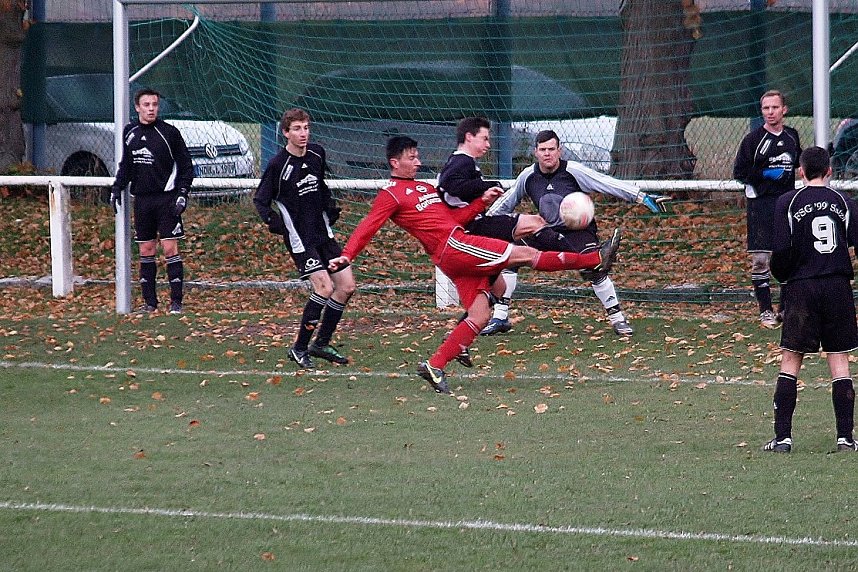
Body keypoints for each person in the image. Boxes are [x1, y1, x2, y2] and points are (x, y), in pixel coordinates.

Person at [328, 135, 621, 395]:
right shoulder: (390, 194)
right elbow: (368, 226)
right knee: (525, 255)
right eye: (411, 157)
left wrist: (481, 201)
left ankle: (435, 365)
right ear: (395, 162)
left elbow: (453, 220)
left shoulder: (423, 188)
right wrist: (347, 256)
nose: (418, 161)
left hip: (453, 249)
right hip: (453, 247)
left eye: (418, 156)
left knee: (481, 313)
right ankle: (594, 259)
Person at [483, 129, 670, 337]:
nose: (547, 154)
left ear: (559, 150)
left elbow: (606, 183)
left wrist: (641, 197)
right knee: (512, 253)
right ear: (535, 152)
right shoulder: (528, 176)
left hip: (579, 231)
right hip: (547, 230)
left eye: (552, 149)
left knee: (595, 267)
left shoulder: (574, 171)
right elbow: (507, 202)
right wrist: (483, 222)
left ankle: (618, 320)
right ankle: (500, 317)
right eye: (543, 149)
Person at [762, 146, 858, 453]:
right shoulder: (845, 202)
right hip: (837, 286)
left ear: (800, 171)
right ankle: (845, 438)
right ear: (830, 171)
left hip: (802, 288)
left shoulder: (786, 202)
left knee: (791, 360)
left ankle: (782, 439)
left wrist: (786, 278)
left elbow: (780, 254)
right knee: (840, 362)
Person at [253, 108, 355, 369]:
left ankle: (321, 343)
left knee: (346, 286)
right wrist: (273, 222)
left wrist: (329, 205)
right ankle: (299, 348)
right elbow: (261, 200)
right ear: (286, 133)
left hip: (323, 233)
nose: (303, 134)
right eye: (297, 129)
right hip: (300, 239)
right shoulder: (278, 164)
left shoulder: (317, 153)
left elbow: (320, 184)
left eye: (306, 128)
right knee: (324, 287)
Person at [110, 88, 194, 314]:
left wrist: (182, 194)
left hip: (167, 199)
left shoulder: (169, 133)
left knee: (169, 248)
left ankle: (176, 303)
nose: (150, 109)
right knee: (146, 250)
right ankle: (150, 304)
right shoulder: (130, 132)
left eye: (154, 105)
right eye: (146, 105)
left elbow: (186, 167)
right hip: (142, 200)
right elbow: (126, 165)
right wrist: (117, 187)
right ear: (137, 107)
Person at [733, 89, 801, 329]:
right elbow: (740, 173)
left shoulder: (792, 136)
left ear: (784, 110)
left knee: (787, 257)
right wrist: (765, 174)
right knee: (761, 260)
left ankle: (784, 309)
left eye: (774, 108)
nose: (770, 112)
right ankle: (765, 310)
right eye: (765, 108)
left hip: (786, 205)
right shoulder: (753, 140)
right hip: (760, 206)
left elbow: (799, 163)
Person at [437, 116, 547, 242]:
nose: (488, 145)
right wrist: (487, 185)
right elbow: (449, 184)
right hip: (473, 228)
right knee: (535, 223)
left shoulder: (456, 160)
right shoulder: (463, 161)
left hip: (472, 224)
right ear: (469, 137)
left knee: (529, 228)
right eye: (484, 139)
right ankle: (564, 257)